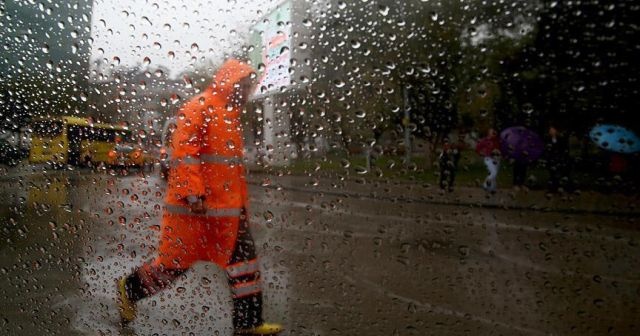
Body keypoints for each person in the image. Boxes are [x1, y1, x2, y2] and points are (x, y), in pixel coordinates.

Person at [117, 59, 282, 335]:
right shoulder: (199, 106)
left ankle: (249, 324)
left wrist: (240, 206)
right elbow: (184, 151)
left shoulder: (230, 115)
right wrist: (193, 194)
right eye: (243, 85)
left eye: (250, 86)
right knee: (173, 267)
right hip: (195, 210)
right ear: (229, 81)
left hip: (228, 212)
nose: (247, 91)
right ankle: (130, 289)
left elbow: (227, 168)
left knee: (244, 263)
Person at [545, 126, 571, 192]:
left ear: (555, 131)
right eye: (550, 130)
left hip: (559, 158)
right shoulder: (548, 139)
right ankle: (553, 187)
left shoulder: (561, 138)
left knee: (561, 173)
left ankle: (562, 187)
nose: (550, 132)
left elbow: (563, 147)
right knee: (552, 173)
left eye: (552, 130)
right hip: (551, 158)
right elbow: (547, 148)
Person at [476, 128, 501, 192]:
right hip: (488, 158)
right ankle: (485, 185)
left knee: (493, 173)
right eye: (492, 132)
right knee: (493, 172)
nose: (493, 133)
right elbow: (478, 147)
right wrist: (480, 153)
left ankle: (492, 188)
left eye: (494, 132)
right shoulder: (485, 140)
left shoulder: (496, 140)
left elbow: (499, 148)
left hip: (496, 158)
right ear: (489, 133)